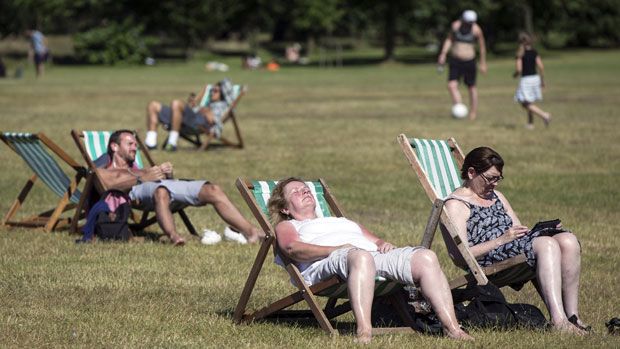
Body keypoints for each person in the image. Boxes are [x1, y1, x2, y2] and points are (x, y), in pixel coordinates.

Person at [268, 177, 473, 343]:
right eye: (295, 192)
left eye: (305, 189)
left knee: (426, 257)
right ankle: (364, 331)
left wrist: (383, 243)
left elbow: (374, 240)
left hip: (366, 256)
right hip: (327, 263)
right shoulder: (289, 226)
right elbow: (292, 249)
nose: (304, 192)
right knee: (361, 256)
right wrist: (336, 249)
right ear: (285, 208)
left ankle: (453, 329)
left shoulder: (341, 221)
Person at [443, 147, 589, 335]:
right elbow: (459, 256)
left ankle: (573, 317)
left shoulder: (497, 197)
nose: (494, 184)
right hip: (487, 260)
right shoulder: (455, 205)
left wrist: (539, 231)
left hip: (511, 248)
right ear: (471, 172)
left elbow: (519, 231)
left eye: (498, 178)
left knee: (567, 240)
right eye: (490, 178)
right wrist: (501, 240)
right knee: (546, 244)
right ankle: (558, 321)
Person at [94, 129, 264, 246]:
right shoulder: (103, 170)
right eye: (129, 143)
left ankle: (251, 233)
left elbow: (162, 182)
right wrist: (142, 178)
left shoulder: (138, 167)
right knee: (161, 192)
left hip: (161, 186)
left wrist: (166, 174)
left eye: (135, 143)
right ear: (114, 146)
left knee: (213, 189)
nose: (135, 147)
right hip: (137, 192)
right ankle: (174, 237)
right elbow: (107, 187)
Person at [144, 82, 229, 151]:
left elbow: (212, 120)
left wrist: (205, 110)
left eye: (216, 91)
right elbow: (195, 109)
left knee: (176, 103)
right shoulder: (208, 103)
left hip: (199, 124)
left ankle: (172, 143)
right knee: (153, 105)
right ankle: (151, 144)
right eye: (211, 90)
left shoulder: (222, 106)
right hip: (189, 119)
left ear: (222, 94)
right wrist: (194, 105)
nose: (212, 93)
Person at [437, 10, 487, 120]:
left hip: (469, 61)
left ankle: (473, 112)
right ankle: (460, 108)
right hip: (455, 60)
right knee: (451, 85)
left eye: (472, 22)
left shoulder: (476, 30)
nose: (470, 24)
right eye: (468, 22)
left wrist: (483, 63)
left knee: (471, 87)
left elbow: (482, 47)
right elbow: (449, 39)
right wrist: (443, 54)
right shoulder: (455, 26)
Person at [513, 32, 551, 129]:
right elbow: (541, 67)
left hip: (526, 80)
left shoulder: (520, 54)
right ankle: (530, 124)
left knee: (525, 104)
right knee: (530, 102)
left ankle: (544, 115)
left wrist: (515, 75)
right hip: (535, 78)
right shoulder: (534, 52)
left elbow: (519, 70)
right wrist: (542, 80)